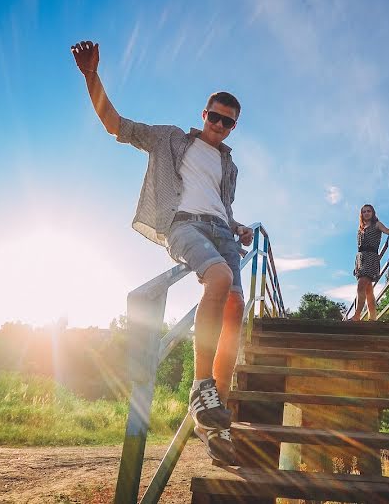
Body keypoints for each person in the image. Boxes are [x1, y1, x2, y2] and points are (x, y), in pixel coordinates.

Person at [71, 40, 252, 465]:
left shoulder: (229, 166)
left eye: (228, 123)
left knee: (236, 306)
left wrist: (239, 226)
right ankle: (200, 386)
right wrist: (91, 77)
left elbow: (221, 205)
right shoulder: (170, 139)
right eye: (214, 117)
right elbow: (117, 126)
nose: (220, 126)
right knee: (220, 281)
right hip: (184, 225)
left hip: (222, 232)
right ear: (202, 114)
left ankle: (214, 421)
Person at [351, 204, 389, 321]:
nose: (366, 213)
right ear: (361, 214)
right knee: (368, 290)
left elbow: (386, 230)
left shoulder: (377, 224)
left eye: (368, 211)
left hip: (371, 257)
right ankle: (373, 317)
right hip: (360, 258)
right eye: (364, 211)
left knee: (361, 286)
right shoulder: (361, 228)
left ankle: (357, 315)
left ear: (373, 212)